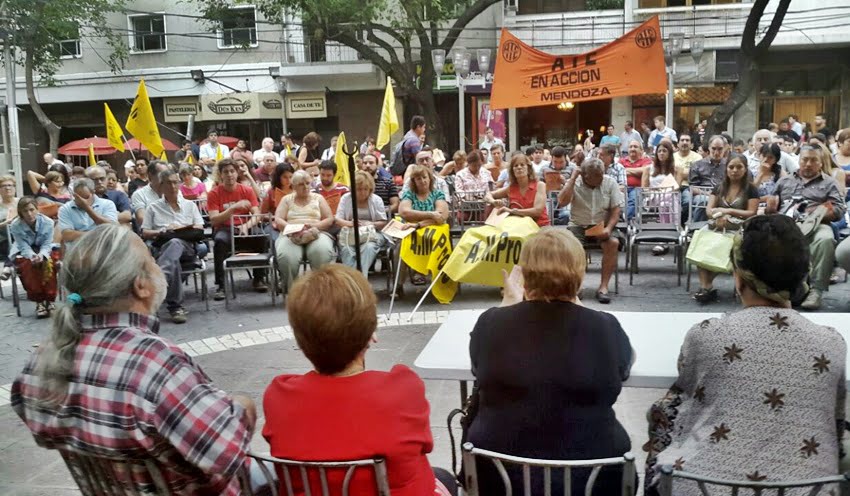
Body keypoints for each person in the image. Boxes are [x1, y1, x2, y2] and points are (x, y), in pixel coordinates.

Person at [12, 223, 258, 494]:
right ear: (141, 286)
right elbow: (226, 453)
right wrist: (243, 405)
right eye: (152, 260)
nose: (157, 266)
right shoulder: (155, 363)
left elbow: (36, 421)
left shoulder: (43, 359)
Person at [644, 215, 846, 496]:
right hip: (808, 488)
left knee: (664, 412)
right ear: (804, 273)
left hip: (701, 487)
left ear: (738, 276)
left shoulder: (706, 334)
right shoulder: (832, 343)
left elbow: (685, 399)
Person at [262, 264, 457, 496]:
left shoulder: (279, 395)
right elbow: (423, 446)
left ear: (300, 339)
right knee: (445, 478)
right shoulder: (404, 388)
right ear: (370, 332)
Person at [468, 228, 634, 494]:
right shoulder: (604, 327)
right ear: (579, 272)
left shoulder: (491, 323)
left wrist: (509, 303)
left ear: (525, 273)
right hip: (593, 478)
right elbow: (622, 369)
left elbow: (478, 366)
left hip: (502, 478)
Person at [765, 145, 845, 310]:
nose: (808, 164)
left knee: (826, 239)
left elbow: (839, 210)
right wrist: (770, 208)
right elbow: (771, 207)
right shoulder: (784, 181)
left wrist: (820, 211)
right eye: (805, 160)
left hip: (818, 224)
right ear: (799, 161)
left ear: (821, 163)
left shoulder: (830, 183)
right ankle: (779, 287)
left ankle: (816, 290)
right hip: (787, 224)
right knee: (766, 238)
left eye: (813, 160)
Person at [141, 168, 205, 323]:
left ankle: (158, 280)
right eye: (168, 183)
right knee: (173, 256)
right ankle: (175, 307)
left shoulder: (190, 205)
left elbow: (200, 228)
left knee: (175, 243)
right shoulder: (153, 207)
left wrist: (177, 230)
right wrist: (162, 230)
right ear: (161, 186)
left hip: (188, 248)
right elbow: (145, 232)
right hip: (163, 248)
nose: (173, 186)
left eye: (175, 182)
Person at [691, 157, 759, 303]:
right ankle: (706, 286)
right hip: (717, 224)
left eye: (739, 167)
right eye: (731, 167)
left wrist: (729, 212)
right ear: (726, 169)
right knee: (702, 242)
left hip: (740, 227)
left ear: (745, 169)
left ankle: (707, 286)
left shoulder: (751, 189)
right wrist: (719, 215)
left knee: (725, 246)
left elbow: (752, 212)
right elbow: (709, 210)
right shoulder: (719, 187)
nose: (735, 171)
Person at [558, 158, 623, 303]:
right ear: (586, 176)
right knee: (572, 246)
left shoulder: (609, 182)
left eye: (602, 174)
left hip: (602, 224)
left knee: (613, 243)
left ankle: (603, 287)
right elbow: (562, 202)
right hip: (578, 224)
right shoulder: (576, 182)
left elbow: (616, 210)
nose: (601, 177)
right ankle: (577, 285)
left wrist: (608, 228)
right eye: (597, 176)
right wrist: (573, 178)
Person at [207, 158, 268, 299]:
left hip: (245, 226)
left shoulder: (246, 190)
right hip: (225, 228)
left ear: (237, 173)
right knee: (219, 241)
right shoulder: (214, 193)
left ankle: (259, 278)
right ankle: (221, 285)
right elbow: (214, 219)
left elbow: (257, 214)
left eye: (232, 171)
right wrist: (233, 208)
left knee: (261, 236)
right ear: (220, 175)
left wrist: (246, 226)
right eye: (226, 172)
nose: (229, 175)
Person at [274, 170, 336, 291]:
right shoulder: (286, 199)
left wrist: (314, 226)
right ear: (294, 186)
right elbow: (278, 219)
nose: (306, 187)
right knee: (287, 257)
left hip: (315, 232)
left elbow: (329, 219)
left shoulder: (318, 198)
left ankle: (320, 289)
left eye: (308, 183)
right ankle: (293, 290)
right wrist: (293, 229)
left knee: (322, 252)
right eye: (301, 184)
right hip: (291, 234)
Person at [8, 197, 59, 318]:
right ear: (21, 213)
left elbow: (47, 243)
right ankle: (39, 302)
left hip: (45, 248)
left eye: (32, 209)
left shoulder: (48, 222)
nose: (29, 214)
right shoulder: (15, 225)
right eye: (25, 211)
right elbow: (23, 245)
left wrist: (41, 255)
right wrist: (32, 256)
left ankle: (50, 300)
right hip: (25, 250)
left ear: (37, 209)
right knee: (27, 266)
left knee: (49, 262)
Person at [335, 171, 389, 277]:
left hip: (372, 234)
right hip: (350, 233)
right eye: (359, 189)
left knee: (368, 247)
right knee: (346, 249)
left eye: (366, 189)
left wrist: (370, 224)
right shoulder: (346, 198)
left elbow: (383, 222)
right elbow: (338, 220)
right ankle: (355, 279)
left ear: (370, 189)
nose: (363, 192)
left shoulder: (376, 199)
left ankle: (359, 279)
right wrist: (351, 223)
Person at [485, 154, 549, 227]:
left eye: (522, 165)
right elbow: (488, 195)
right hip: (518, 228)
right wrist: (493, 201)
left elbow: (537, 211)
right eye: (515, 166)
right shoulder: (510, 188)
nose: (519, 167)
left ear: (528, 168)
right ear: (512, 171)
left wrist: (512, 211)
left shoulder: (540, 185)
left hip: (540, 226)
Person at [58, 178, 118, 251]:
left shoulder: (107, 204)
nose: (81, 200)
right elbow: (67, 235)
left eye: (85, 197)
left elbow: (111, 228)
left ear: (93, 192)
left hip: (102, 248)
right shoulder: (65, 208)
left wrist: (87, 209)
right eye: (77, 197)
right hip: (76, 250)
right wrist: (97, 235)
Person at [689, 136, 731, 222]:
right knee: (704, 201)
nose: (716, 152)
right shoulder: (697, 165)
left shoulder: (729, 165)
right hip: (703, 194)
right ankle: (697, 227)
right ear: (708, 148)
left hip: (724, 195)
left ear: (725, 149)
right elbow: (692, 188)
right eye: (713, 149)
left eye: (720, 149)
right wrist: (708, 194)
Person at [131, 160, 172, 226]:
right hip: (153, 233)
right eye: (162, 174)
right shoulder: (139, 194)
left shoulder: (174, 191)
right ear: (150, 176)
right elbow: (142, 219)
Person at [261, 162, 295, 242]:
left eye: (291, 177)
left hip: (293, 223)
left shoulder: (297, 190)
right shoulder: (271, 192)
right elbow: (262, 215)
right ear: (278, 177)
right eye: (285, 177)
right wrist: (276, 218)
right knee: (276, 240)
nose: (288, 180)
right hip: (273, 225)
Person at [620, 139, 652, 219]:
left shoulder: (646, 160)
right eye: (630, 147)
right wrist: (638, 171)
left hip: (637, 188)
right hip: (621, 187)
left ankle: (625, 217)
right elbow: (618, 172)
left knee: (634, 200)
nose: (632, 149)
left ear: (641, 150)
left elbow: (645, 170)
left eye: (635, 147)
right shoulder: (621, 161)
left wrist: (625, 170)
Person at [0, 175, 18, 280]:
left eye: (10, 185)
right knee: (13, 242)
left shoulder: (21, 202)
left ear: (14, 188)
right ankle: (8, 266)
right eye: (3, 186)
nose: (7, 188)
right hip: (3, 240)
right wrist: (5, 223)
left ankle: (7, 267)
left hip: (24, 237)